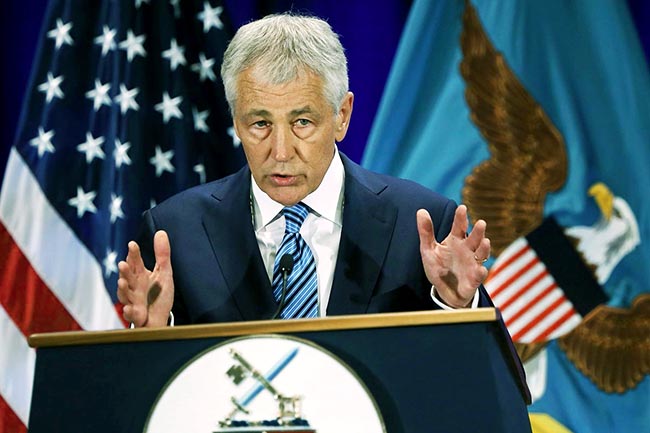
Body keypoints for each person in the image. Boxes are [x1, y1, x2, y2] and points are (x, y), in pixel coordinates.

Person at [117, 13, 492, 328]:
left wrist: (456, 306)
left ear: (341, 116)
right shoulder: (176, 233)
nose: (280, 152)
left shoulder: (420, 225)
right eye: (260, 123)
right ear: (235, 121)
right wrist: (151, 335)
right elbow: (146, 386)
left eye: (302, 122)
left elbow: (491, 381)